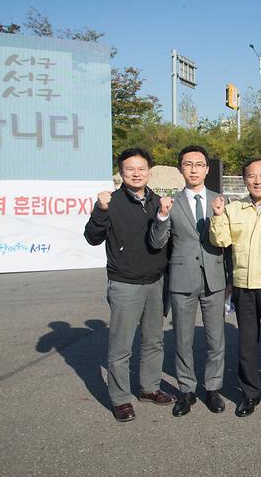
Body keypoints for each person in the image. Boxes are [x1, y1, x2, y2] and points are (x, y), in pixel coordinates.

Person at [84, 148, 175, 422]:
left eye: (141, 169)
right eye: (130, 169)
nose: (136, 174)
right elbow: (92, 237)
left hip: (155, 282)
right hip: (124, 283)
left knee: (154, 341)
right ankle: (121, 398)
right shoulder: (110, 202)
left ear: (149, 172)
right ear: (121, 172)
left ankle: (149, 388)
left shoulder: (158, 201)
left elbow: (165, 242)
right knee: (121, 347)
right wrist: (100, 211)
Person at [149, 145, 229, 417]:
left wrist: (230, 278)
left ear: (207, 169)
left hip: (214, 278)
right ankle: (186, 390)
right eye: (188, 164)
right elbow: (157, 242)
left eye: (199, 164)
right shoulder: (170, 203)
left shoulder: (221, 201)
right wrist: (161, 216)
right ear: (180, 169)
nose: (194, 169)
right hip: (182, 279)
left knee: (215, 338)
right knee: (183, 340)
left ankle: (213, 388)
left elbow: (229, 244)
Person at [209, 158, 261, 417]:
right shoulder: (233, 209)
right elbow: (221, 241)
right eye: (252, 176)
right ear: (245, 179)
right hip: (244, 285)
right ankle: (249, 394)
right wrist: (218, 215)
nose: (257, 181)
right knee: (246, 343)